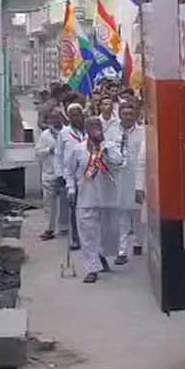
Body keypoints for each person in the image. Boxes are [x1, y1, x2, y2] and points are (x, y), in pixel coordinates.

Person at [66, 118, 124, 283]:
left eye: (97, 126)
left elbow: (120, 162)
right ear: (87, 129)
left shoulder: (111, 147)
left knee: (109, 233)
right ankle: (92, 268)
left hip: (108, 198)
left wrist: (105, 151)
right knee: (87, 234)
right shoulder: (78, 149)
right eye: (91, 127)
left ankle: (102, 254)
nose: (95, 129)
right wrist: (71, 188)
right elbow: (69, 170)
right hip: (86, 198)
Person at [113, 99, 146, 263]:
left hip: (137, 178)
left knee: (138, 214)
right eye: (125, 113)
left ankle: (139, 242)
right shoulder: (112, 132)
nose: (128, 117)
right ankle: (122, 251)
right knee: (122, 216)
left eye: (131, 114)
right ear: (119, 114)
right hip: (118, 179)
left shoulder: (142, 132)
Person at [34, 108, 67, 241]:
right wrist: (49, 150)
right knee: (49, 203)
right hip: (50, 173)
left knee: (65, 202)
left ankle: (64, 228)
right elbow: (38, 152)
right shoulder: (45, 135)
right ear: (48, 120)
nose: (54, 120)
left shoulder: (67, 132)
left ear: (61, 117)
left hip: (65, 173)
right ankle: (49, 229)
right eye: (51, 118)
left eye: (57, 117)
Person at [60, 104, 88, 250]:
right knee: (74, 210)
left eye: (77, 115)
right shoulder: (64, 133)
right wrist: (65, 180)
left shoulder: (89, 130)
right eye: (72, 115)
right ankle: (75, 238)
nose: (75, 118)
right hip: (72, 176)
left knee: (89, 211)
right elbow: (60, 156)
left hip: (89, 176)